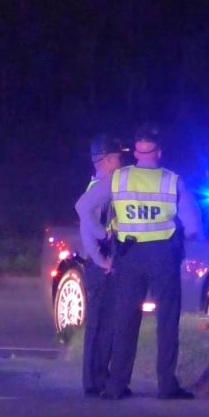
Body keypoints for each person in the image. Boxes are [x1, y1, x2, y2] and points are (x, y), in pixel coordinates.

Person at [75, 123, 202, 400]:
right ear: (159, 152)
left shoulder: (119, 179)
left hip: (129, 256)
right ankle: (166, 385)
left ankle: (116, 385)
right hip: (163, 257)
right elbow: (193, 226)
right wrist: (181, 241)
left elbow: (82, 207)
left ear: (135, 152)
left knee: (125, 320)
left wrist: (104, 234)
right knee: (166, 321)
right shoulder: (172, 181)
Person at [77, 134, 127, 397]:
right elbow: (86, 230)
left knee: (106, 323)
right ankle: (94, 380)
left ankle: (99, 377)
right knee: (99, 324)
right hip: (100, 265)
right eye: (118, 157)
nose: (121, 162)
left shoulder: (100, 185)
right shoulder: (98, 188)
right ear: (106, 160)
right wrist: (102, 257)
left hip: (102, 263)